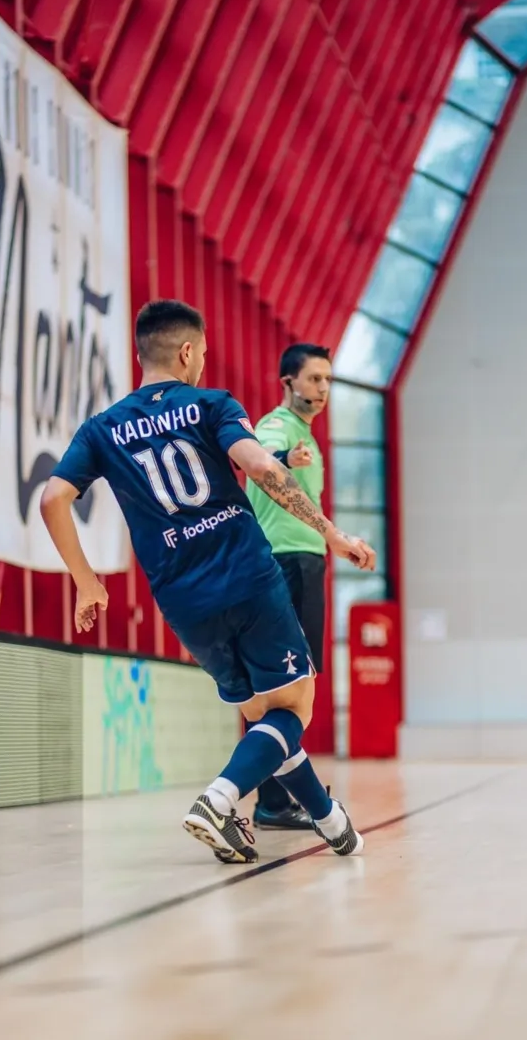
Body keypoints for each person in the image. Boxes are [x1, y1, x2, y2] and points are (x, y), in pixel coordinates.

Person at [39, 299, 376, 865]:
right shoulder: (210, 405)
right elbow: (264, 468)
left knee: (260, 714)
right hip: (247, 577)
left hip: (184, 601)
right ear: (189, 351)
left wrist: (87, 582)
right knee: (295, 707)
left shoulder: (101, 430)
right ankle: (221, 798)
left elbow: (53, 498)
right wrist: (330, 533)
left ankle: (329, 820)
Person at [245, 343, 333, 831]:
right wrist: (284, 457)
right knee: (290, 685)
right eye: (313, 379)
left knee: (298, 684)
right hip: (287, 563)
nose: (321, 389)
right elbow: (260, 453)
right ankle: (273, 801)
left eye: (326, 380)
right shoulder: (281, 427)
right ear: (288, 382)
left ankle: (277, 798)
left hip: (306, 561)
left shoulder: (308, 436)